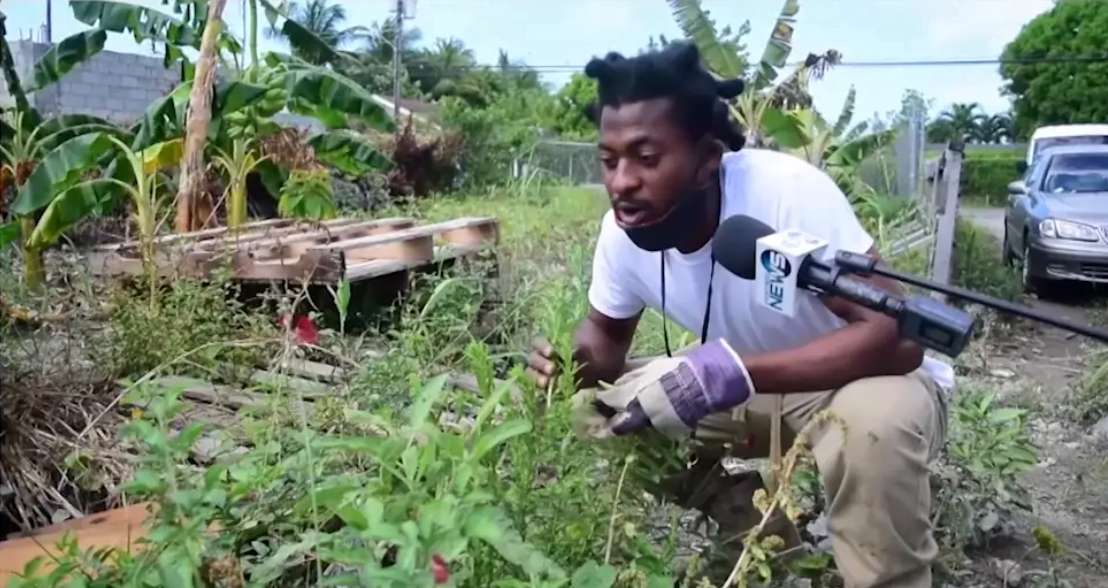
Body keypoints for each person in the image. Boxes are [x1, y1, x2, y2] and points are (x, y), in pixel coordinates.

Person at [525, 42, 955, 588]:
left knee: (875, 426)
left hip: (861, 378)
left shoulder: (783, 194)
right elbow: (605, 337)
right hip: (746, 385)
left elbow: (897, 340)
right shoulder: (624, 230)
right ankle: (758, 533)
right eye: (609, 160)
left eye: (646, 158)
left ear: (708, 160)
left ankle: (886, 579)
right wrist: (568, 363)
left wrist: (729, 374)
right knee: (598, 410)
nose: (621, 181)